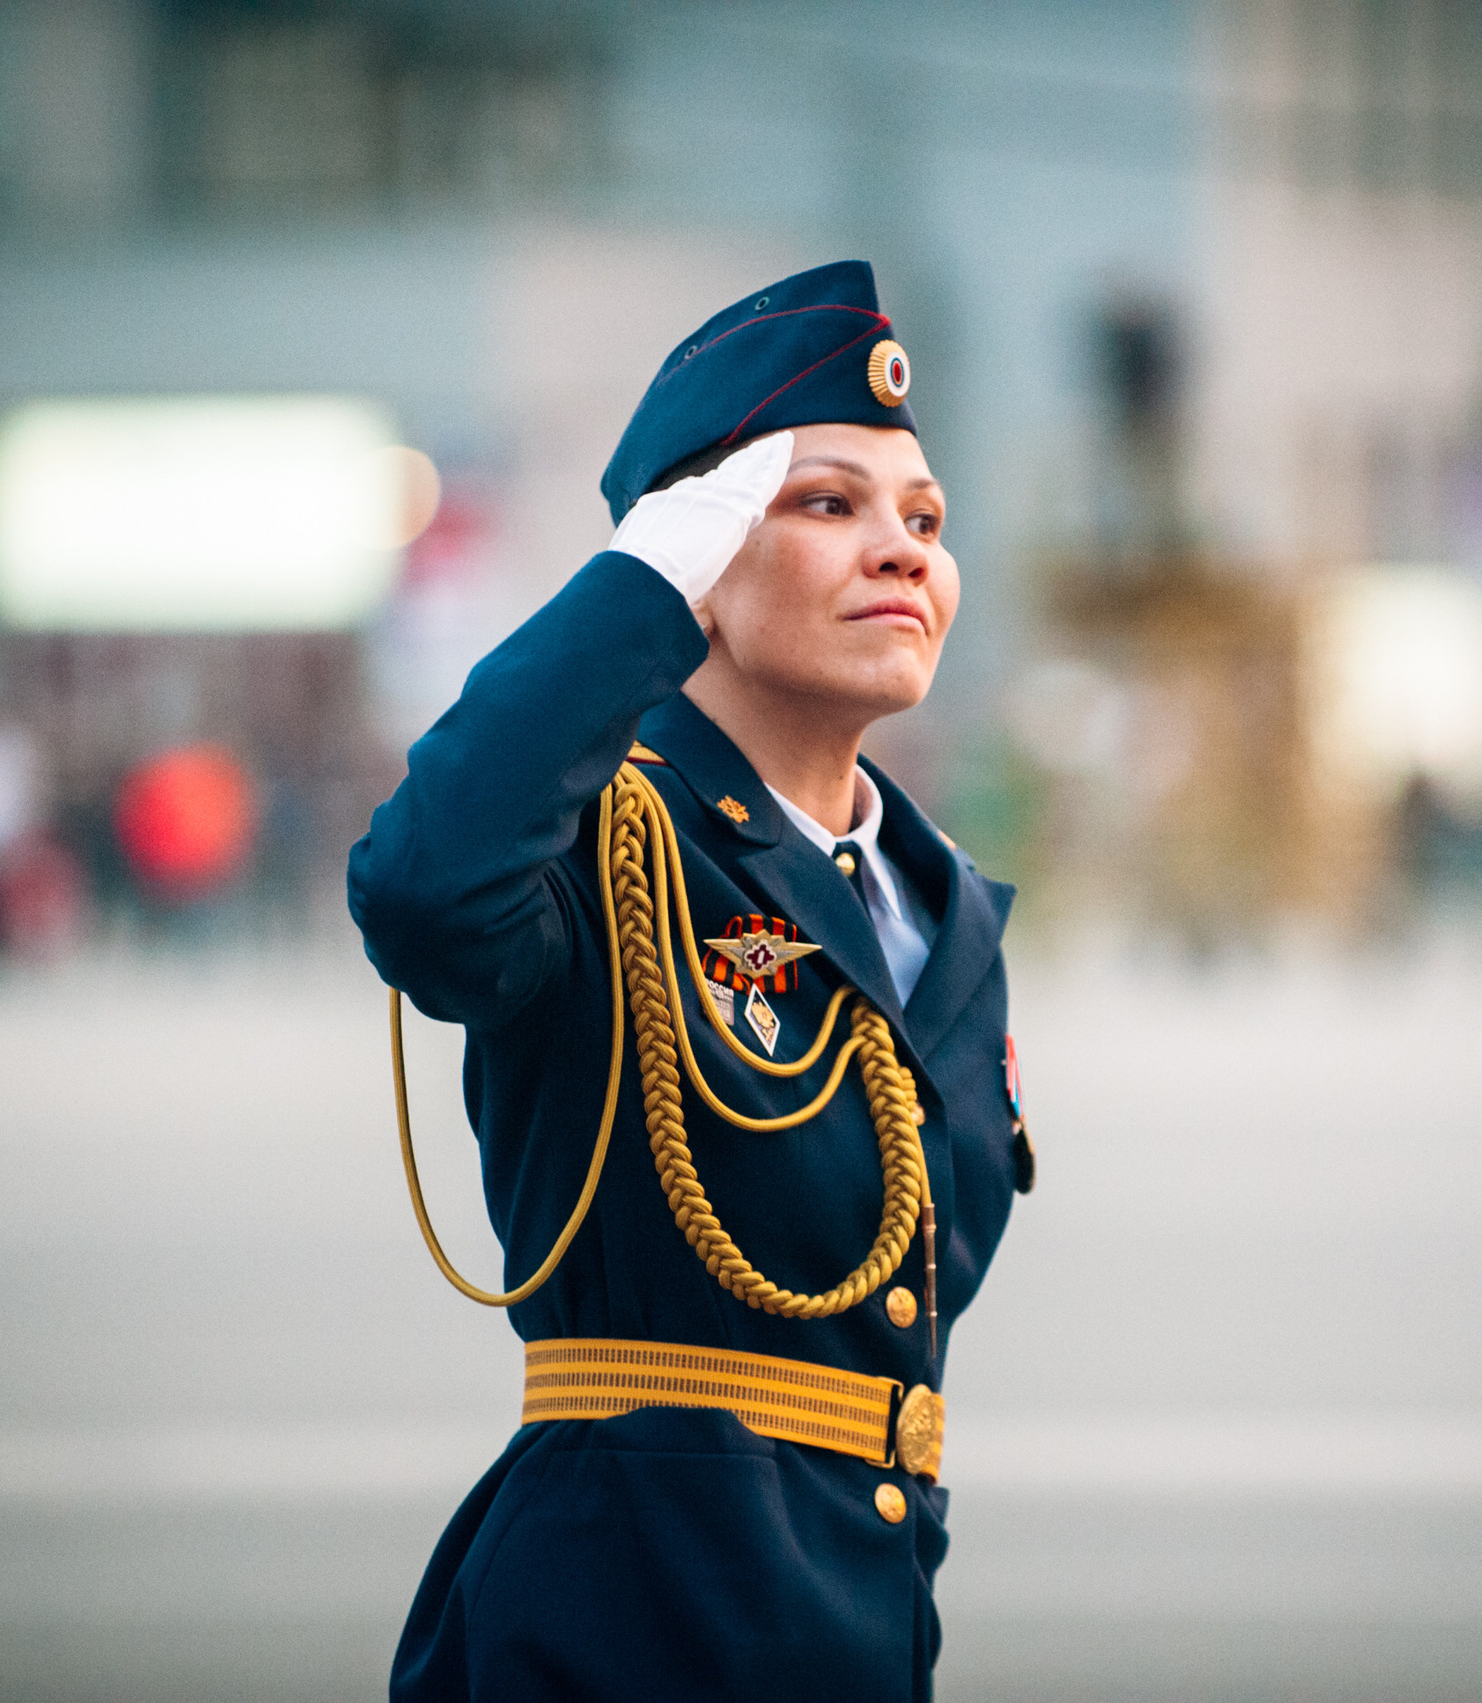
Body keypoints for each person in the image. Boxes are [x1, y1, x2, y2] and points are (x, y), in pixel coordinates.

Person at [348, 259, 1031, 1702]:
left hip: (857, 1632)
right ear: (694, 560)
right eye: (826, 505)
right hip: (616, 1626)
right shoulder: (599, 847)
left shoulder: (941, 914)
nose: (904, 549)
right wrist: (638, 592)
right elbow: (421, 888)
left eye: (925, 520)